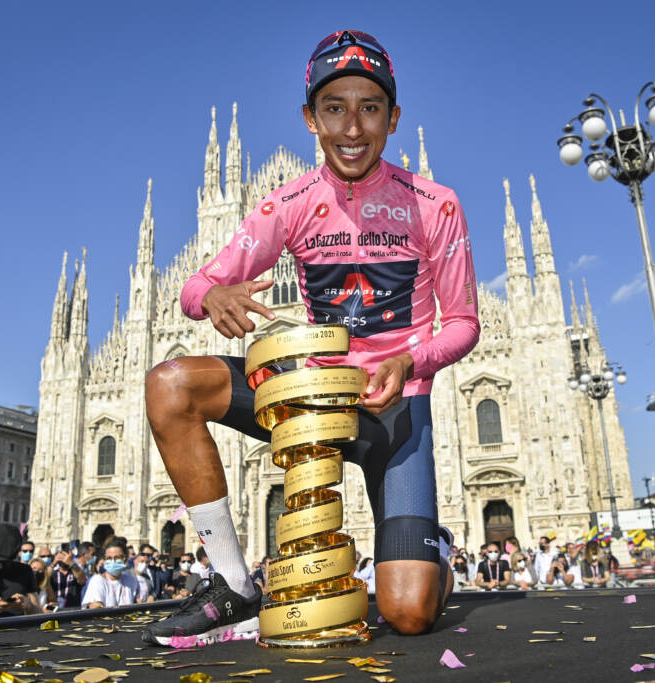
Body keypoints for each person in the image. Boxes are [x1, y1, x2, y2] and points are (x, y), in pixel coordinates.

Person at [141, 29, 479, 646]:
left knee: (408, 613)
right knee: (169, 385)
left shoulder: (435, 204)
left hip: (394, 410)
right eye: (334, 109)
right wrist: (212, 295)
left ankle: (435, 552)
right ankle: (233, 584)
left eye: (369, 108)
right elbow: (197, 288)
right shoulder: (288, 203)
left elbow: (462, 323)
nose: (352, 127)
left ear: (393, 118)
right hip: (305, 399)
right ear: (310, 120)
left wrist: (410, 361)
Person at [0, 524, 40, 617]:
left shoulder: (25, 570)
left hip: (18, 628)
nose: (4, 565)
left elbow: (37, 612)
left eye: (8, 561)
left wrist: (28, 604)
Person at [82, 538, 139, 608]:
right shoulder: (98, 580)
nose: (113, 561)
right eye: (109, 558)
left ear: (125, 559)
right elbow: (95, 606)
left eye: (117, 558)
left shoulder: (130, 580)